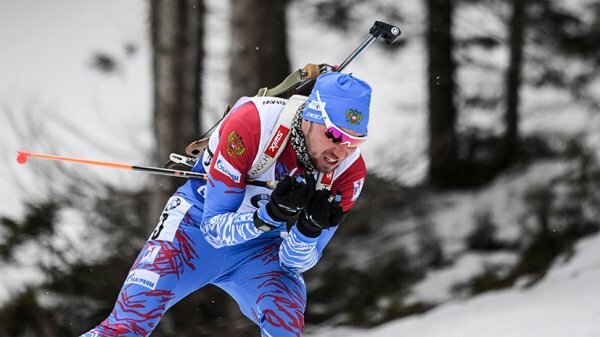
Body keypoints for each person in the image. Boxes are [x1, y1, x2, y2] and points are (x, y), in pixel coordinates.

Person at [81, 71, 371, 337]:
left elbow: (295, 264)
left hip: (259, 250)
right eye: (334, 135)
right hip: (191, 233)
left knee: (285, 325)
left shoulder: (349, 175)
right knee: (127, 324)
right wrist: (270, 215)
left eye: (355, 141)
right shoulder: (253, 124)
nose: (341, 151)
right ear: (309, 117)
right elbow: (214, 231)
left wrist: (306, 231)